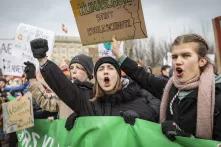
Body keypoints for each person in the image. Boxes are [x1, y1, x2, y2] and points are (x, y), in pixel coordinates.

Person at [112, 34, 221, 141]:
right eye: (174, 57)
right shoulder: (168, 88)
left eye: (186, 55)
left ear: (202, 61)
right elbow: (143, 76)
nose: (178, 61)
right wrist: (119, 55)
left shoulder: (217, 94)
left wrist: (187, 139)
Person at [29, 38, 159, 127]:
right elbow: (63, 86)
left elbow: (154, 115)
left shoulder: (136, 96)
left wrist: (139, 117)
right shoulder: (88, 101)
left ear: (119, 76)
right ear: (97, 77)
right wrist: (43, 61)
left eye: (110, 68)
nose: (106, 72)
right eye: (101, 69)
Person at [24, 53, 94, 120]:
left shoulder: (96, 93)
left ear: (88, 73)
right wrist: (32, 79)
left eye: (78, 67)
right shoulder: (66, 92)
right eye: (71, 68)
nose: (74, 71)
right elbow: (46, 102)